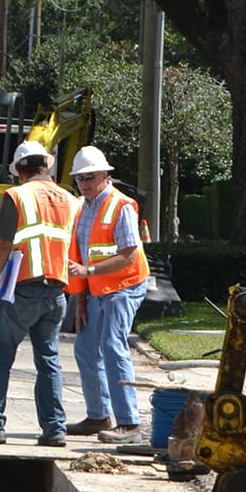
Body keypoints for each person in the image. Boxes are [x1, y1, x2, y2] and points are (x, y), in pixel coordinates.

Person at [0, 139, 78, 447]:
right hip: (56, 293)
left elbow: (3, 245)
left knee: (0, 358)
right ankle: (55, 429)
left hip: (22, 289)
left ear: (19, 171)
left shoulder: (17, 195)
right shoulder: (69, 199)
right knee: (49, 361)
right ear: (45, 167)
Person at [64, 146, 151, 443]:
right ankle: (99, 415)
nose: (84, 183)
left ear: (104, 175)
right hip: (98, 289)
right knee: (86, 347)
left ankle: (130, 423)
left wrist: (88, 273)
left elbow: (128, 256)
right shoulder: (83, 206)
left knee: (113, 346)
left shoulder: (120, 205)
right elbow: (84, 252)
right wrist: (81, 302)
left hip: (124, 286)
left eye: (89, 177)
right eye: (79, 178)